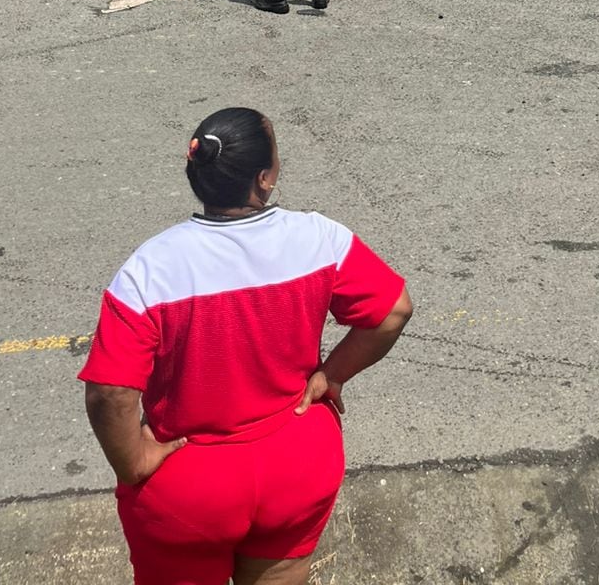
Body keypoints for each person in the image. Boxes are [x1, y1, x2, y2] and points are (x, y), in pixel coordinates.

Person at [80, 107, 412, 585]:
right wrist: (333, 373)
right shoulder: (320, 239)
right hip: (298, 465)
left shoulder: (149, 270)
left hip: (190, 486)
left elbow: (109, 392)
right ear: (264, 179)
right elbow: (394, 310)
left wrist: (134, 462)